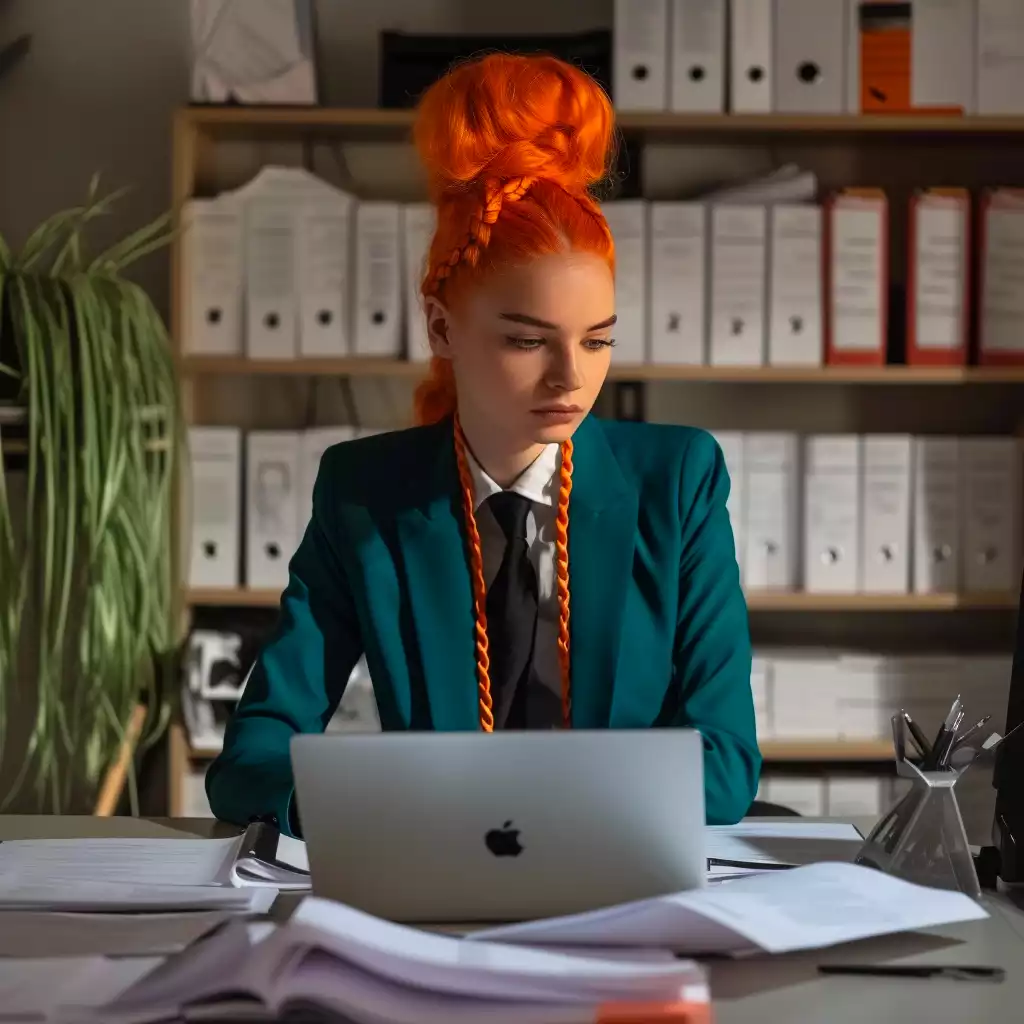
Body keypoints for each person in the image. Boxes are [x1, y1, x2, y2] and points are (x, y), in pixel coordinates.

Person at [206, 52, 760, 836]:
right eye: (529, 341)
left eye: (598, 341)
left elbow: (726, 765)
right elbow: (253, 756)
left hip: (624, 893)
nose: (572, 376)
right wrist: (381, 820)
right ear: (442, 328)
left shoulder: (679, 482)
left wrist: (505, 814)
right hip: (432, 890)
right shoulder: (366, 493)